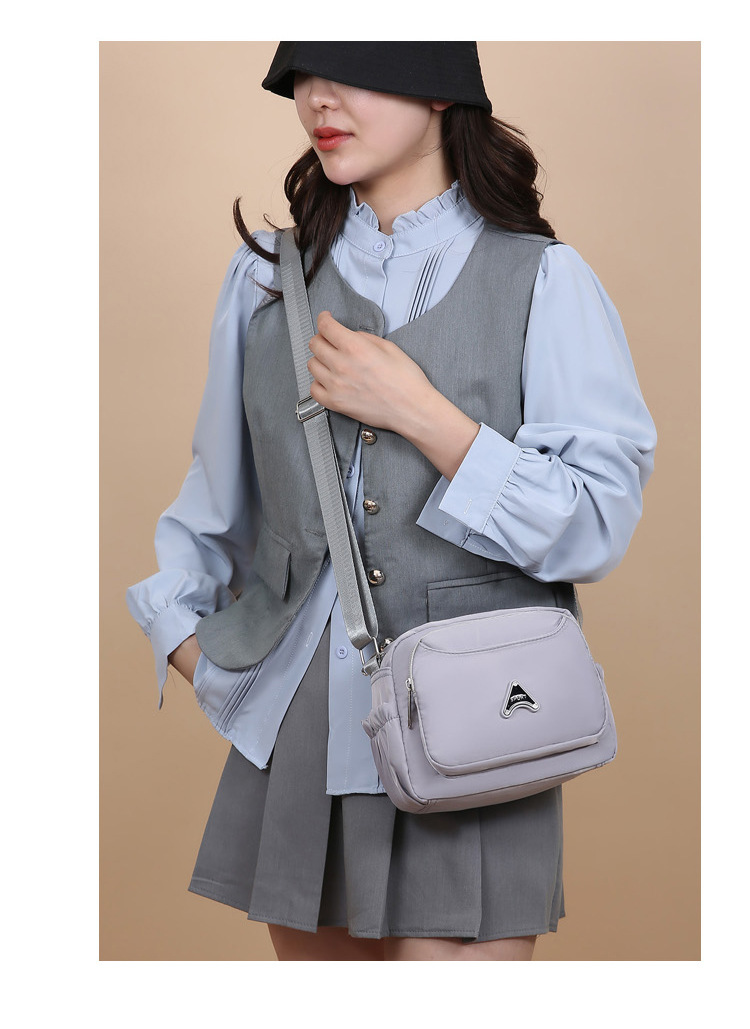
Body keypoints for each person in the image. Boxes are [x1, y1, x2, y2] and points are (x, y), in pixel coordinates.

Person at [126, 41, 656, 961]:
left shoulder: (543, 279)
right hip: (301, 730)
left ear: (442, 90)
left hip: (481, 723)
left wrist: (423, 414)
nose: (318, 100)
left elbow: (595, 523)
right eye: (303, 78)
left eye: (352, 70)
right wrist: (195, 650)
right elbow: (216, 509)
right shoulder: (265, 279)